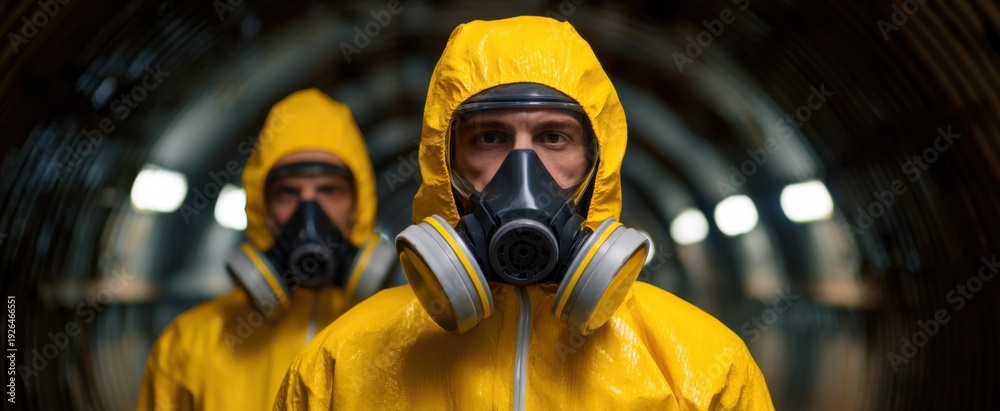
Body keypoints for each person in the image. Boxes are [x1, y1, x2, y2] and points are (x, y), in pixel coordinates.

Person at [274, 17, 774, 410]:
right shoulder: (340, 365)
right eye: (489, 138)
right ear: (444, 161)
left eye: (554, 137)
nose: (523, 172)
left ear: (597, 161)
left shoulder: (706, 368)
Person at [137, 88, 395, 410]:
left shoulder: (401, 335)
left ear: (359, 205)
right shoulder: (188, 345)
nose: (309, 215)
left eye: (329, 190)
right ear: (262, 208)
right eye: (288, 192)